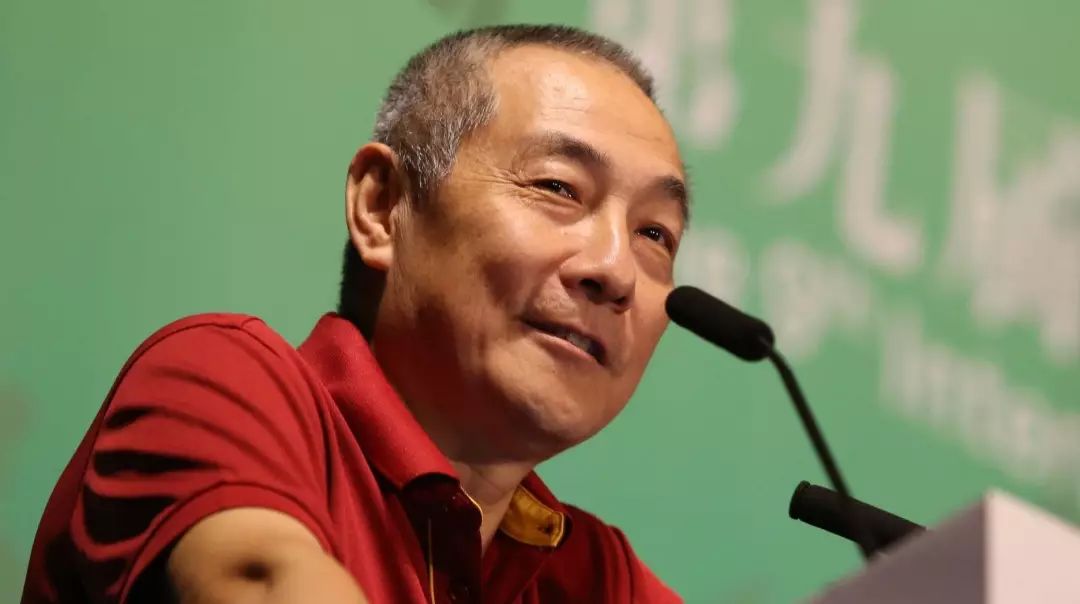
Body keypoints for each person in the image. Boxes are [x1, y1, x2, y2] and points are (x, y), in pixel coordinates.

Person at [22, 24, 690, 603]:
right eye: (558, 187)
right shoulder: (215, 382)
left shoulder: (595, 576)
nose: (615, 270)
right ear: (381, 207)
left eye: (655, 233)